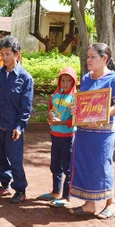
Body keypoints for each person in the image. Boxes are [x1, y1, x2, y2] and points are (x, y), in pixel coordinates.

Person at [68, 43, 115, 219]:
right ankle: (90, 205)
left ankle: (111, 203)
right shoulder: (86, 78)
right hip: (85, 131)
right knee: (86, 165)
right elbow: (84, 102)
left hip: (104, 132)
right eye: (87, 56)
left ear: (105, 59)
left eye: (92, 56)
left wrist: (102, 115)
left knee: (102, 166)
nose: (88, 60)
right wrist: (76, 109)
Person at [0, 36, 34, 203]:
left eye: (7, 54)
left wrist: (20, 127)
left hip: (13, 128)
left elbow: (26, 107)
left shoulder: (25, 78)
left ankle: (20, 189)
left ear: (17, 55)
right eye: (2, 54)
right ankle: (4, 185)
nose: (4, 57)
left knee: (15, 160)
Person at [37, 67, 77, 207]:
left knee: (67, 167)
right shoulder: (54, 96)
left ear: (74, 83)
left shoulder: (75, 98)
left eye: (68, 81)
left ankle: (66, 197)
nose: (65, 84)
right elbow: (50, 111)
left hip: (68, 137)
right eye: (63, 81)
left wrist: (60, 122)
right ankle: (55, 192)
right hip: (55, 136)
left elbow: (75, 120)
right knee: (55, 165)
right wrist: (50, 116)